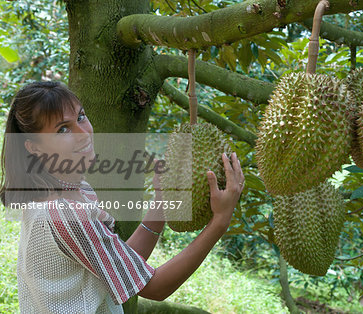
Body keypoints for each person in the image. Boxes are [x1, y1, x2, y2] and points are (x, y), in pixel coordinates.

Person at [0, 81, 245, 313]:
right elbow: (155, 287)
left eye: (81, 117)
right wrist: (220, 222)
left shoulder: (70, 192)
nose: (83, 133)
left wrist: (160, 202)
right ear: (33, 147)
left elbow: (117, 266)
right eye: (63, 129)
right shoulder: (65, 213)